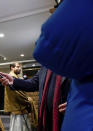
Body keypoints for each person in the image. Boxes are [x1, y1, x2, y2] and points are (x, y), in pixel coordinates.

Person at [33, 0, 93, 130]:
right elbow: (35, 83)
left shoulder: (72, 52)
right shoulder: (45, 67)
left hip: (75, 118)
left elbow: (43, 49)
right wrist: (13, 81)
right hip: (48, 119)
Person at [0, 66, 70, 131]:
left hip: (68, 118)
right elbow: (33, 83)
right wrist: (14, 81)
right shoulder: (45, 67)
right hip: (47, 118)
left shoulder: (74, 58)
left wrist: (76, 104)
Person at [4, 62, 38, 131]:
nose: (20, 68)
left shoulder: (14, 76)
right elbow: (18, 94)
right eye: (18, 67)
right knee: (20, 128)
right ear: (12, 67)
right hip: (18, 109)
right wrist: (28, 101)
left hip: (19, 108)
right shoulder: (12, 76)